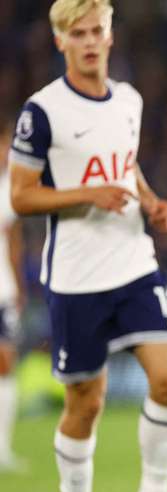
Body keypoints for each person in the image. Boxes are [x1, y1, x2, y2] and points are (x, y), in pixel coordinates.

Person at [8, 0, 167, 492]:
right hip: (75, 276)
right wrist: (84, 195)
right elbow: (22, 196)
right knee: (86, 403)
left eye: (99, 31)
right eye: (80, 33)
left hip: (134, 263)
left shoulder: (128, 99)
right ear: (61, 42)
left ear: (110, 38)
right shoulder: (41, 112)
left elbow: (125, 163)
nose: (91, 41)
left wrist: (150, 201)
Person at [0, 121, 26, 473]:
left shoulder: (9, 188)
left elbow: (14, 241)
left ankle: (3, 449)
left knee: (6, 362)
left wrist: (19, 285)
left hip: (2, 290)